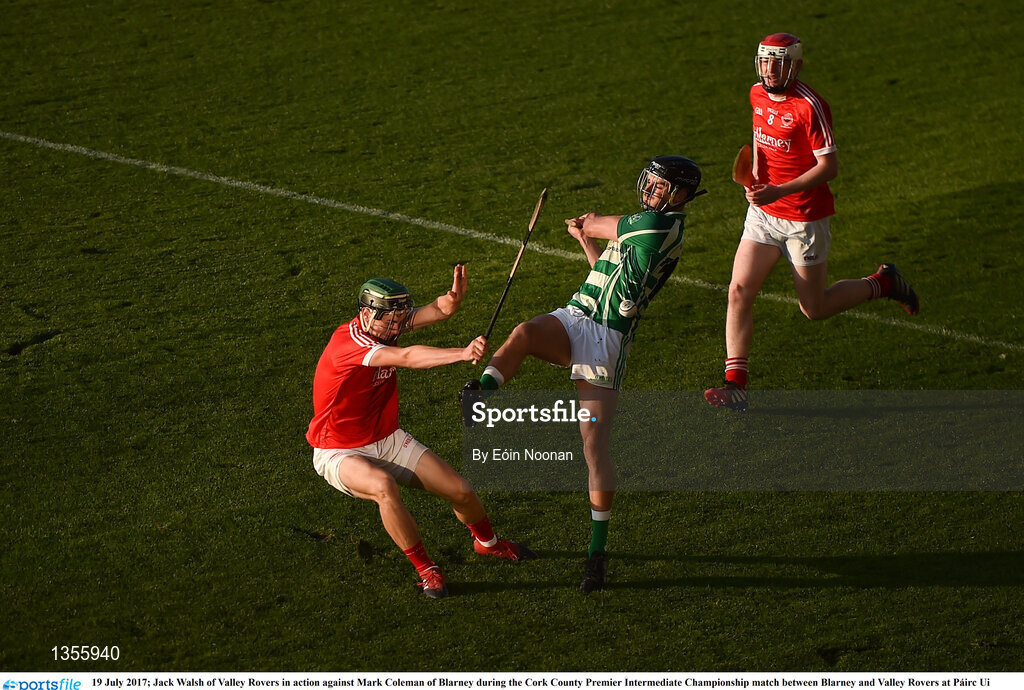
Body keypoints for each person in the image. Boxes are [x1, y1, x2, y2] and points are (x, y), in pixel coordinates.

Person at [461, 156, 705, 593]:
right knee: (525, 332)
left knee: (593, 449)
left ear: (683, 196)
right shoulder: (640, 224)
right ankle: (480, 393)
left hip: (606, 340)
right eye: (650, 182)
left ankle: (597, 553)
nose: (651, 191)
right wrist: (583, 241)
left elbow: (597, 223)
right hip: (577, 315)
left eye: (662, 186)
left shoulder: (662, 228)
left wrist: (587, 225)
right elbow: (603, 269)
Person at [704, 33, 920, 412]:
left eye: (779, 61)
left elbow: (829, 167)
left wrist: (779, 191)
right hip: (763, 214)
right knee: (738, 291)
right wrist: (756, 181)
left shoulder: (811, 106)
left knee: (814, 309)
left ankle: (884, 282)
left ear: (796, 65)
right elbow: (760, 141)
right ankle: (735, 383)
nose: (770, 69)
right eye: (765, 61)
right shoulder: (756, 94)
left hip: (803, 219)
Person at [307, 265, 535, 600]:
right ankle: (426, 569)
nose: (398, 323)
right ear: (368, 314)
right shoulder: (352, 343)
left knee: (460, 490)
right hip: (338, 450)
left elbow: (436, 311)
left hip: (386, 438)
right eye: (392, 318)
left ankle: (488, 544)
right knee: (384, 488)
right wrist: (461, 353)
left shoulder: (383, 327)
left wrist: (451, 301)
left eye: (400, 317)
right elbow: (408, 357)